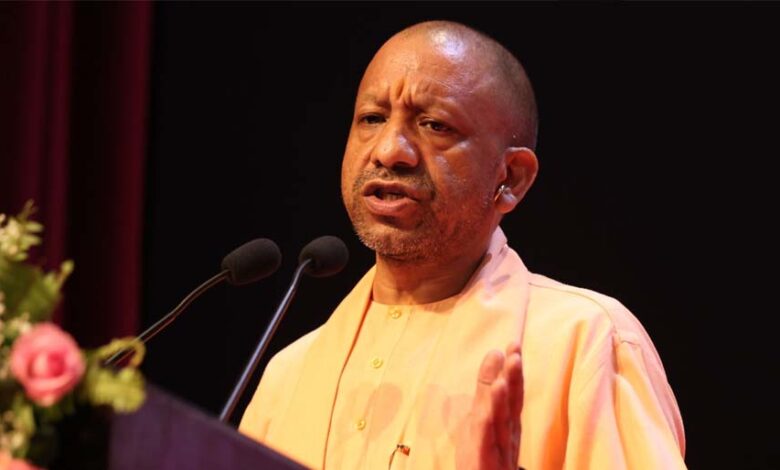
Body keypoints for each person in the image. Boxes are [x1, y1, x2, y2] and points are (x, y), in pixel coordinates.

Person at [239, 20, 686, 470]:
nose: (389, 150)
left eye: (435, 125)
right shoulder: (287, 376)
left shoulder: (586, 339)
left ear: (511, 178)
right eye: (372, 119)